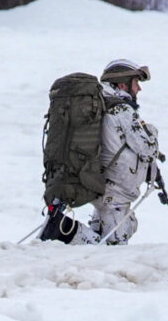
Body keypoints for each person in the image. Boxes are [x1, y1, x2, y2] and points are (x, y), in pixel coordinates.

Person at [41, 60, 160, 245]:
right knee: (111, 251)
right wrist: (151, 130)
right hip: (115, 193)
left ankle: (63, 230)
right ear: (122, 84)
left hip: (98, 186)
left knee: (101, 249)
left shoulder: (99, 105)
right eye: (136, 83)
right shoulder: (121, 109)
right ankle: (62, 230)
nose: (139, 89)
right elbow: (148, 149)